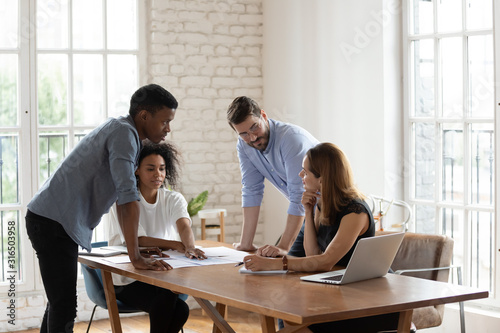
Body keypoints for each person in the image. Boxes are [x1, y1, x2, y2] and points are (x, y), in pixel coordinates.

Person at [25, 84, 176, 333]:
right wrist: (135, 256)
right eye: (165, 121)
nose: (168, 128)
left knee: (58, 303)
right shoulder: (124, 135)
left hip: (48, 219)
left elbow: (122, 195)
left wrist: (134, 251)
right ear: (144, 116)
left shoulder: (121, 129)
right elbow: (128, 198)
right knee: (63, 307)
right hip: (53, 223)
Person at [243, 143, 399, 332]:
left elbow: (326, 262)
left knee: (293, 325)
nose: (300, 176)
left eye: (305, 172)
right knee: (290, 317)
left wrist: (275, 264)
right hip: (342, 293)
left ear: (323, 178)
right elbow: (312, 254)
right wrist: (308, 212)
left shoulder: (355, 211)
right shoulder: (321, 204)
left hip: (370, 301)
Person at [108, 141, 206, 333]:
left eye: (162, 168)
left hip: (160, 275)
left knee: (180, 308)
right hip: (126, 279)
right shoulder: (124, 201)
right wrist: (177, 245)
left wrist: (190, 246)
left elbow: (184, 225)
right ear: (136, 170)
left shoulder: (173, 198)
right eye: (151, 168)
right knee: (170, 301)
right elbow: (138, 240)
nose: (158, 174)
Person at [227, 96, 319, 257]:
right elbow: (251, 190)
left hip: (332, 213)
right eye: (244, 134)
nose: (252, 138)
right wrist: (245, 243)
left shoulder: (291, 139)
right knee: (273, 261)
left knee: (287, 260)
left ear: (263, 115)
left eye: (255, 128)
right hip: (308, 214)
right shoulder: (244, 145)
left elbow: (299, 194)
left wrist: (284, 246)